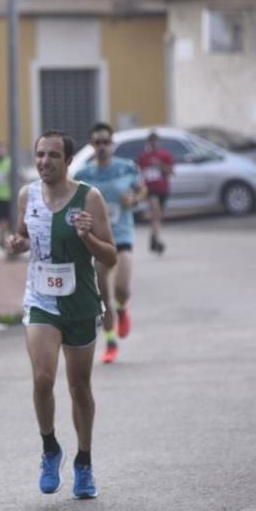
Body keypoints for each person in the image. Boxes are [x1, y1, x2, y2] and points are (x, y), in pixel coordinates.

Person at [4, 130, 116, 500]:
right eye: (39, 155)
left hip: (80, 301)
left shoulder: (89, 198)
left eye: (53, 155)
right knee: (42, 378)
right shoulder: (27, 195)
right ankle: (50, 448)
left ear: (68, 161)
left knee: (79, 387)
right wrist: (16, 243)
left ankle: (84, 462)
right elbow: (23, 236)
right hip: (41, 298)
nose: (44, 162)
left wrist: (87, 237)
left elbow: (110, 256)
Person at [73, 123, 147, 364]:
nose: (102, 146)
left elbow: (142, 189)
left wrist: (134, 198)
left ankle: (123, 310)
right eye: (97, 142)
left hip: (123, 235)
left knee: (121, 289)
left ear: (112, 144)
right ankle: (111, 342)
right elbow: (73, 199)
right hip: (99, 240)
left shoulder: (126, 168)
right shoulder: (84, 174)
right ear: (92, 146)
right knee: (104, 296)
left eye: (106, 141)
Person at [136, 130, 174, 255]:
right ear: (148, 143)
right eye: (151, 142)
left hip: (162, 189)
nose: (153, 145)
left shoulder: (165, 155)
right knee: (156, 212)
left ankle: (154, 239)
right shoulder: (143, 157)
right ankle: (155, 240)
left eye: (155, 142)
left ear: (158, 143)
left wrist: (160, 165)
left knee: (157, 216)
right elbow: (138, 172)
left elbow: (171, 172)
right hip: (150, 189)